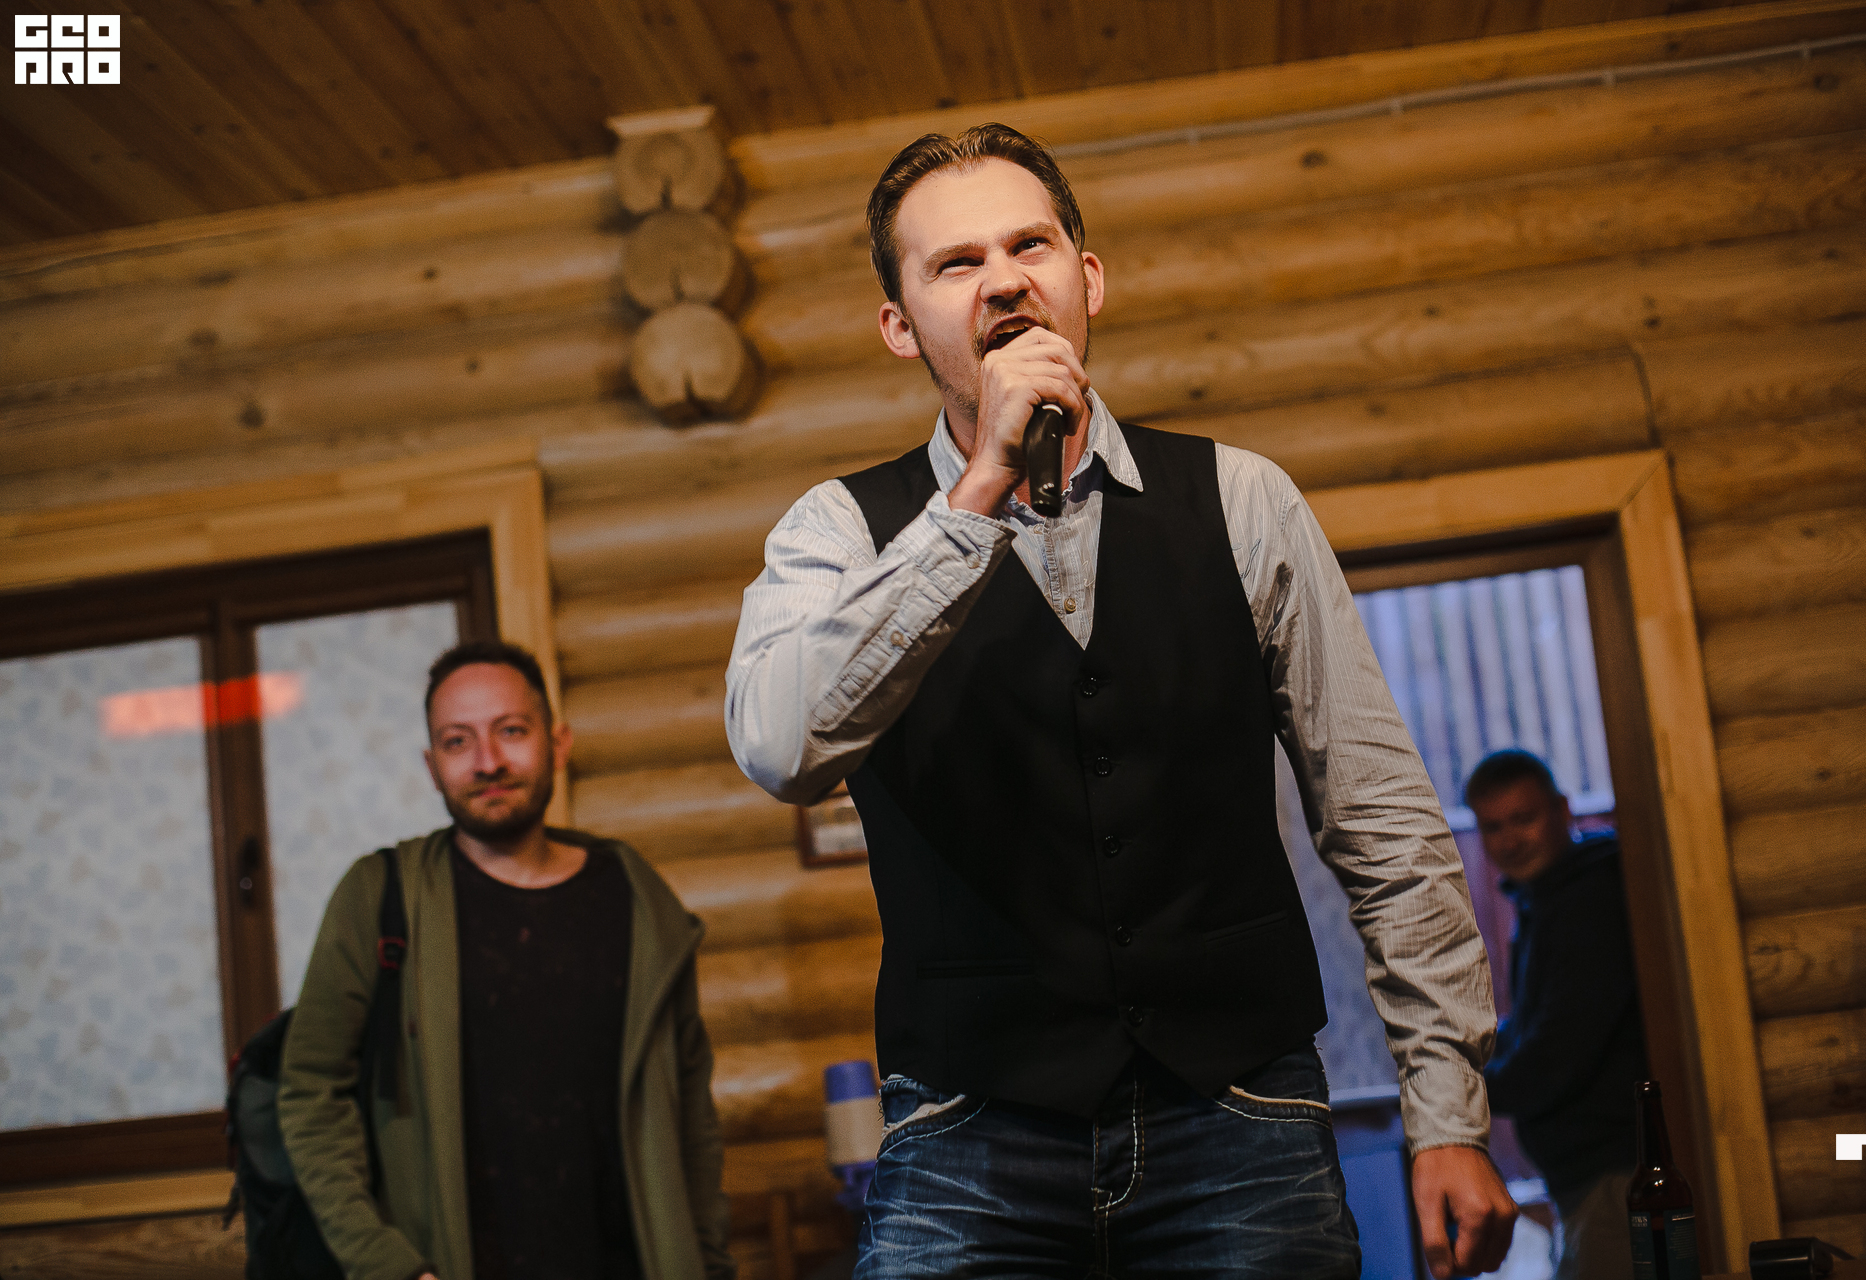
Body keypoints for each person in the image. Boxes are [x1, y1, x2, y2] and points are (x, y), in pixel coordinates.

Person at [725, 123, 1516, 1279]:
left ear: (1086, 279)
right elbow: (780, 745)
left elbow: (1381, 814)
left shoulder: (1242, 499)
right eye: (956, 263)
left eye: (1029, 245)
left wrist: (1447, 1110)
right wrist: (979, 493)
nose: (1003, 280)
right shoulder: (837, 531)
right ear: (900, 324)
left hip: (1243, 1112)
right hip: (967, 1130)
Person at [279, 640, 734, 1280]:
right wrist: (386, 1265)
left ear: (558, 742)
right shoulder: (380, 899)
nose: (488, 762)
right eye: (457, 742)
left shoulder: (636, 898)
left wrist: (709, 1264)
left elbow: (690, 1114)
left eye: (511, 731)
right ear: (432, 765)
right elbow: (310, 1093)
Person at [1469, 749, 1646, 1280]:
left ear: (1563, 810)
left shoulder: (1590, 901)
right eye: (1493, 826)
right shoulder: (1544, 900)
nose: (1510, 840)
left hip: (1616, 1174)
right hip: (1588, 1180)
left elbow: (1556, 1056)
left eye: (1524, 819)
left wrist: (1459, 1090)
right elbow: (1535, 1028)